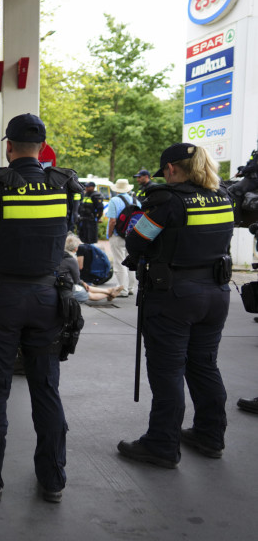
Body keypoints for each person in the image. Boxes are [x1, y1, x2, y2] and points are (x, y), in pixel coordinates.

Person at [0, 113, 82, 504]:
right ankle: (53, 479)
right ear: (41, 148)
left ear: (8, 146)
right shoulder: (64, 184)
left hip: (2, 298)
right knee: (46, 387)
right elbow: (67, 228)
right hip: (48, 297)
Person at [117, 143, 234, 468]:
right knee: (205, 366)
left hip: (174, 297)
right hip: (217, 293)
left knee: (167, 371)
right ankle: (210, 436)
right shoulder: (223, 196)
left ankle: (161, 445)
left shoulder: (168, 201)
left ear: (171, 169)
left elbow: (137, 240)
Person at [62, 234, 123, 303]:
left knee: (86, 287)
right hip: (67, 287)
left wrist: (82, 283)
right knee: (89, 294)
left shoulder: (60, 256)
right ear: (76, 248)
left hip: (64, 283)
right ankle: (110, 293)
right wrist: (82, 282)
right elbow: (77, 280)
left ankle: (110, 291)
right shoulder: (71, 260)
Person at [105, 178, 139, 298]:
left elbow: (112, 221)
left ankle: (122, 289)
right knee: (131, 261)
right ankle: (130, 288)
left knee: (119, 262)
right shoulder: (135, 200)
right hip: (132, 236)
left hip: (118, 235)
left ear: (117, 189)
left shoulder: (114, 200)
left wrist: (109, 234)